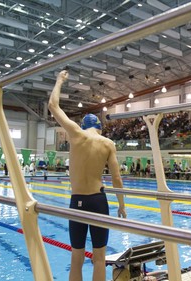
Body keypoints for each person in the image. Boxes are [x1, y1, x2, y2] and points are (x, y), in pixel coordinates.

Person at [49, 70, 126, 281]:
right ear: (99, 128)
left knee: (77, 257)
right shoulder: (108, 143)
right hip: (99, 201)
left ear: (84, 125)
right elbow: (117, 178)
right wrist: (122, 205)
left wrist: (59, 80)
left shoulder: (76, 134)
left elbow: (53, 106)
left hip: (77, 201)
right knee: (99, 257)